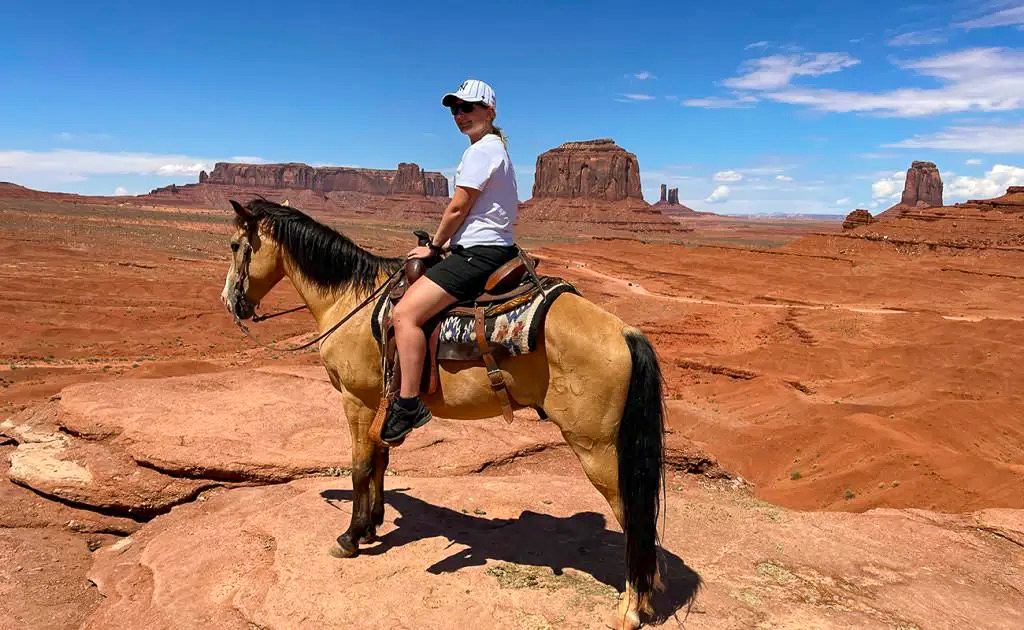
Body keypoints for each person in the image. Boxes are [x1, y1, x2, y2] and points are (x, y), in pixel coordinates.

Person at [382, 79, 520, 445]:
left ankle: (408, 405)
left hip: (479, 253)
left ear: (490, 111)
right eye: (455, 109)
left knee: (405, 314)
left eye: (468, 107)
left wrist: (434, 246)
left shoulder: (482, 151)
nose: (460, 115)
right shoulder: (494, 149)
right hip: (493, 249)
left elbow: (458, 207)